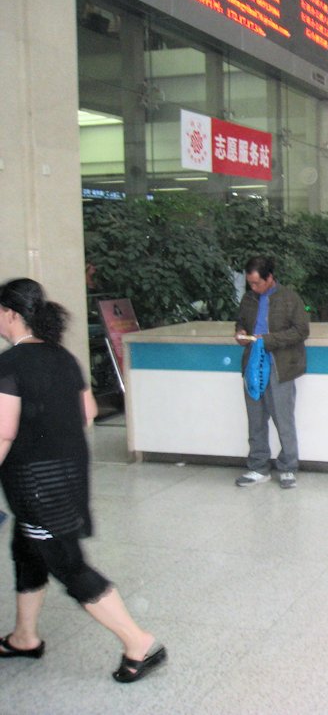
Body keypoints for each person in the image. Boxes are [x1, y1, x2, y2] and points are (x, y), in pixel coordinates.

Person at [0, 279, 165, 683]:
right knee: (27, 549)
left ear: (11, 314)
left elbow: (3, 432)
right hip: (68, 476)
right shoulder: (62, 356)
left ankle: (138, 641)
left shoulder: (9, 364)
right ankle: (24, 637)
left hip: (36, 485)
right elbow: (87, 411)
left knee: (69, 565)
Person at [234, 256, 310, 489]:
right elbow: (240, 323)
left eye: (257, 283)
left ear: (269, 278)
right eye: (250, 283)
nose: (253, 288)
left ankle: (288, 467)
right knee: (255, 418)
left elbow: (301, 331)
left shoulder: (289, 298)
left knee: (282, 418)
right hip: (252, 366)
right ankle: (258, 467)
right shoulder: (248, 299)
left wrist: (268, 340)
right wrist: (241, 332)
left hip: (280, 366)